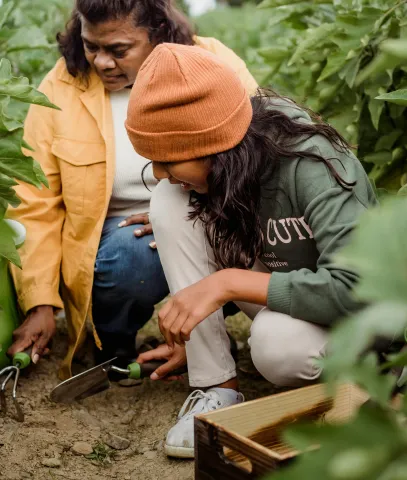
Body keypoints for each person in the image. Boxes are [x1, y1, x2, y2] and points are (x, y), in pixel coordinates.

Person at [125, 44, 378, 458]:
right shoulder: (226, 167)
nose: (158, 173)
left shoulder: (312, 164)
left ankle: (365, 380)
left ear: (214, 145)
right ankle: (216, 386)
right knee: (167, 204)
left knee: (276, 346)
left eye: (168, 160)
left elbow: (358, 289)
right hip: (290, 295)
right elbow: (185, 205)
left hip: (355, 318)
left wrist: (228, 283)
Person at [7, 0, 257, 380]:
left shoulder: (214, 64)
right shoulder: (61, 86)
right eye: (92, 46)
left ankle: (205, 335)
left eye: (118, 50)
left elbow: (253, 156)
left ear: (157, 32)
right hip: (123, 232)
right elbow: (35, 200)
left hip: (209, 214)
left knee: (233, 250)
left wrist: (182, 217)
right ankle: (113, 341)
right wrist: (40, 302)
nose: (102, 62)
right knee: (127, 261)